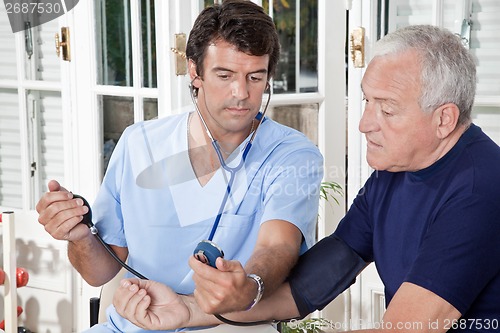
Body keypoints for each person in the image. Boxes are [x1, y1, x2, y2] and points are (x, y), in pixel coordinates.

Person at [112, 24, 500, 333]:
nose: (365, 125)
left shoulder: (480, 188)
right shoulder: (394, 173)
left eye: (387, 110)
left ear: (444, 119)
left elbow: (406, 329)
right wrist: (187, 310)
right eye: (367, 102)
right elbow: (306, 289)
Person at [35, 0, 323, 332]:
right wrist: (79, 236)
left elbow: (278, 246)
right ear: (194, 71)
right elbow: (98, 272)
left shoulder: (291, 155)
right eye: (225, 75)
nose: (241, 93)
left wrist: (250, 284)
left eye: (255, 77)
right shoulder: (139, 144)